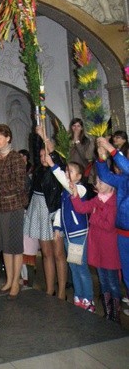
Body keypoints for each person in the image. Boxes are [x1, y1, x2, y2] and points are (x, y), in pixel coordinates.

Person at [46, 155, 95, 312]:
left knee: (81, 268)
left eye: (70, 171)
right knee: (73, 267)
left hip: (78, 235)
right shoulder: (65, 192)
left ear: (79, 176)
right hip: (68, 235)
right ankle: (79, 296)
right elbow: (61, 211)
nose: (67, 173)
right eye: (66, 170)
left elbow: (67, 185)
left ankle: (89, 299)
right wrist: (57, 229)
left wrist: (53, 165)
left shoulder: (79, 189)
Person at [70, 175, 121, 322]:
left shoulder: (114, 202)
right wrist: (75, 195)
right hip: (98, 246)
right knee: (103, 280)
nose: (96, 184)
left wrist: (93, 218)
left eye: (100, 182)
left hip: (109, 248)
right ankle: (108, 311)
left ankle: (115, 314)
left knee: (112, 280)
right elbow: (81, 208)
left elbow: (109, 224)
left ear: (110, 185)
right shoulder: (97, 199)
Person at [24, 129, 67, 299]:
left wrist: (44, 136)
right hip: (38, 209)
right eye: (41, 155)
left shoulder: (57, 170)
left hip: (52, 211)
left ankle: (62, 291)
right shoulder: (39, 169)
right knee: (47, 253)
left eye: (46, 155)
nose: (43, 158)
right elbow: (35, 149)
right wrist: (37, 136)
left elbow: (54, 156)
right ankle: (50, 289)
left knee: (58, 254)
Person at [0, 124, 28, 299]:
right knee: (5, 246)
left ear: (8, 138)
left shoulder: (15, 158)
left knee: (15, 247)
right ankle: (9, 280)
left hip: (13, 207)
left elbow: (19, 184)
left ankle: (16, 282)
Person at [96, 136, 129, 314]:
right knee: (127, 273)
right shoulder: (124, 180)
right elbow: (105, 176)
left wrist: (110, 148)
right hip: (123, 233)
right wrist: (101, 158)